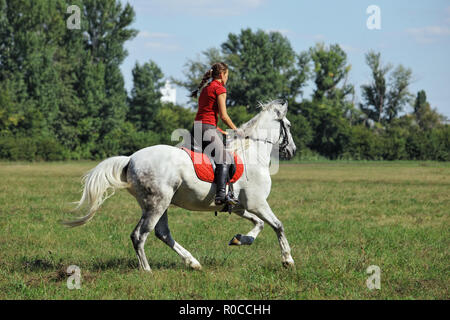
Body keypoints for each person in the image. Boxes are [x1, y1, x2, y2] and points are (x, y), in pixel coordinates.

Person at [190, 62, 242, 205]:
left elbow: (206, 116)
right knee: (224, 158)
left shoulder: (206, 89)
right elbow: (224, 116)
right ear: (222, 75)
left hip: (197, 128)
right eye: (227, 76)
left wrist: (220, 131)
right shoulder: (219, 89)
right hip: (207, 129)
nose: (227, 79)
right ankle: (221, 195)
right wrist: (236, 130)